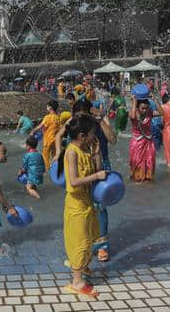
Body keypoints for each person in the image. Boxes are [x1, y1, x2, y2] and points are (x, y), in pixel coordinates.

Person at [63, 115, 106, 299]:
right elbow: (74, 181)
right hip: (76, 204)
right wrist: (97, 177)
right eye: (91, 134)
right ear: (81, 135)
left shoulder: (85, 148)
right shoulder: (72, 152)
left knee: (89, 237)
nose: (93, 136)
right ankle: (77, 281)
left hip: (87, 202)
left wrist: (96, 153)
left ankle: (83, 267)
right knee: (79, 241)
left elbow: (97, 170)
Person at [129, 96, 156, 183]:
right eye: (142, 108)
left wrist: (155, 100)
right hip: (137, 144)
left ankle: (148, 179)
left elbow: (161, 112)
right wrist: (134, 101)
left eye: (146, 108)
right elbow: (133, 116)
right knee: (138, 163)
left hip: (148, 143)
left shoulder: (149, 114)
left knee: (150, 161)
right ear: (138, 107)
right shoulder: (133, 114)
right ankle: (138, 178)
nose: (144, 110)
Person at [32, 100, 60, 169]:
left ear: (50, 107)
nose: (46, 107)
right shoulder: (57, 117)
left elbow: (40, 126)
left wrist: (33, 131)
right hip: (55, 140)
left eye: (47, 106)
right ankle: (55, 168)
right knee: (54, 155)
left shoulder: (48, 117)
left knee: (45, 156)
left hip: (47, 140)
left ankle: (47, 169)